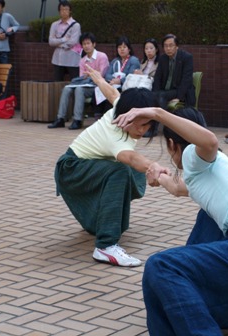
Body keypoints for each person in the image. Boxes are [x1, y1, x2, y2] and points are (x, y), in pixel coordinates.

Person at [113, 106, 228, 336]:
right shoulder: (208, 168)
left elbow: (209, 141)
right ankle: (196, 302)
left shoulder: (192, 155)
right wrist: (157, 174)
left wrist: (157, 113)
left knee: (161, 266)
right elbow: (179, 188)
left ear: (172, 144)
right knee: (208, 216)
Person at [54, 64, 167, 267]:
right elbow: (131, 159)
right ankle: (105, 247)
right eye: (141, 125)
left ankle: (101, 223)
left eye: (148, 125)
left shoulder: (121, 109)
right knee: (122, 170)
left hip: (84, 166)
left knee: (126, 172)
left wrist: (99, 80)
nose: (143, 131)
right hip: (72, 169)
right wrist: (153, 166)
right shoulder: (116, 139)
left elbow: (113, 93)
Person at [48, 32, 109, 130]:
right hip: (86, 84)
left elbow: (101, 75)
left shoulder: (102, 56)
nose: (86, 46)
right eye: (84, 44)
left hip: (98, 87)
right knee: (66, 89)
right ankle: (60, 118)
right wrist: (90, 75)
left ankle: (78, 120)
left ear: (94, 44)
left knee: (79, 89)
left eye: (88, 43)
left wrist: (89, 74)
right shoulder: (82, 60)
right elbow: (82, 78)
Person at [93, 36, 140, 119]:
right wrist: (113, 80)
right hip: (114, 84)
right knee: (99, 88)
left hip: (126, 86)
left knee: (111, 92)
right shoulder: (115, 61)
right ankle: (98, 114)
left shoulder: (133, 60)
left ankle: (110, 116)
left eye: (124, 47)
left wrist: (120, 81)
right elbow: (107, 74)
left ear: (129, 49)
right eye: (119, 47)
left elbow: (131, 76)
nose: (122, 49)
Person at [152, 34, 196, 109]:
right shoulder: (163, 58)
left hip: (179, 90)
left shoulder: (186, 57)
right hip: (165, 91)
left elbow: (186, 80)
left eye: (171, 45)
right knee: (151, 95)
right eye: (166, 46)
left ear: (177, 46)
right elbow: (157, 78)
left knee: (161, 95)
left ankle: (163, 119)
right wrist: (154, 93)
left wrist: (179, 97)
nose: (168, 48)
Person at [48, 0, 81, 81]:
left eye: (66, 9)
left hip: (72, 59)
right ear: (59, 11)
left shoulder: (76, 25)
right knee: (57, 83)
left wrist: (58, 43)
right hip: (57, 59)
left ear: (70, 11)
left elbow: (72, 42)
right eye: (62, 9)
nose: (64, 12)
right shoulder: (54, 25)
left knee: (74, 81)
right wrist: (63, 39)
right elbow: (51, 41)